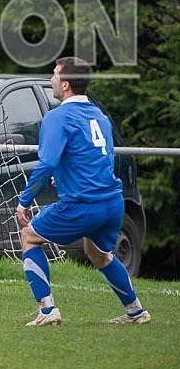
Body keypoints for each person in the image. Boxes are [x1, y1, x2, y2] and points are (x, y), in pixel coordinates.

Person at [16, 56, 150, 326]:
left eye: (54, 74)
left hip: (83, 205)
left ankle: (47, 310)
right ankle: (136, 311)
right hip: (112, 203)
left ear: (65, 85)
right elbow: (97, 158)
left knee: (29, 237)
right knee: (98, 253)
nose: (51, 78)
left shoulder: (57, 117)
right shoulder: (99, 115)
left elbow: (46, 163)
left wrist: (24, 201)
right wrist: (64, 176)